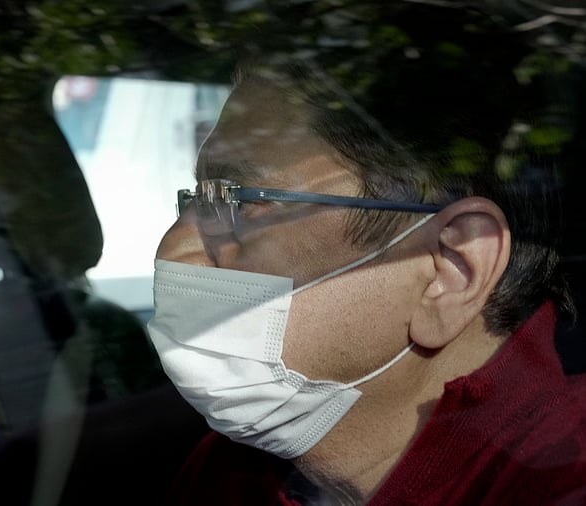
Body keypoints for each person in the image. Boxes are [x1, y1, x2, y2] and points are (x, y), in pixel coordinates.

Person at [146, 55, 586, 504]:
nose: (174, 250)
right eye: (198, 198)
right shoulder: (230, 471)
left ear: (450, 268)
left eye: (237, 202)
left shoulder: (562, 477)